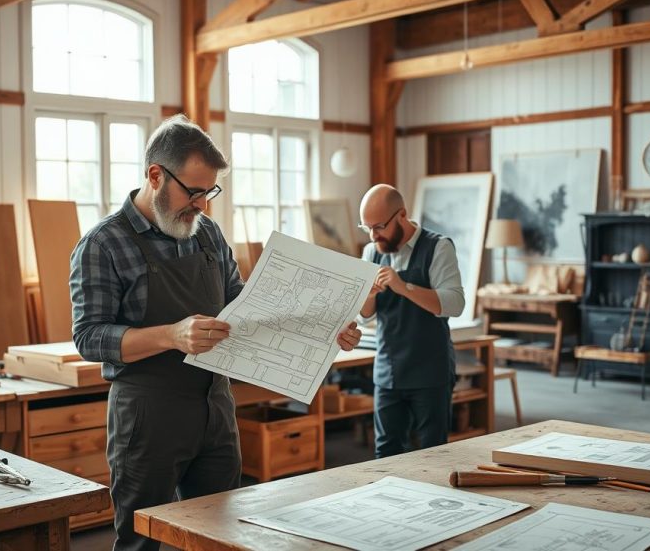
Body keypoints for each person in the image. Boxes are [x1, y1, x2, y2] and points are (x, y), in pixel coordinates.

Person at [70, 115, 362, 551]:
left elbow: (247, 309)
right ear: (155, 175)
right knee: (138, 542)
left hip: (216, 409)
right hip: (148, 417)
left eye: (209, 191)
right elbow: (90, 337)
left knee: (222, 536)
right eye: (193, 191)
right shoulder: (103, 244)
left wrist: (324, 329)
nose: (203, 204)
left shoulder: (205, 234)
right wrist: (172, 335)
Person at [358, 184, 465, 458]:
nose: (373, 236)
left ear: (402, 215)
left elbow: (454, 304)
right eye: (366, 228)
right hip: (388, 372)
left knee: (433, 453)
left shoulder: (439, 247)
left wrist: (403, 286)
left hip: (430, 372)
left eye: (379, 226)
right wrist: (368, 294)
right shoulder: (372, 252)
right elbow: (363, 314)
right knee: (386, 453)